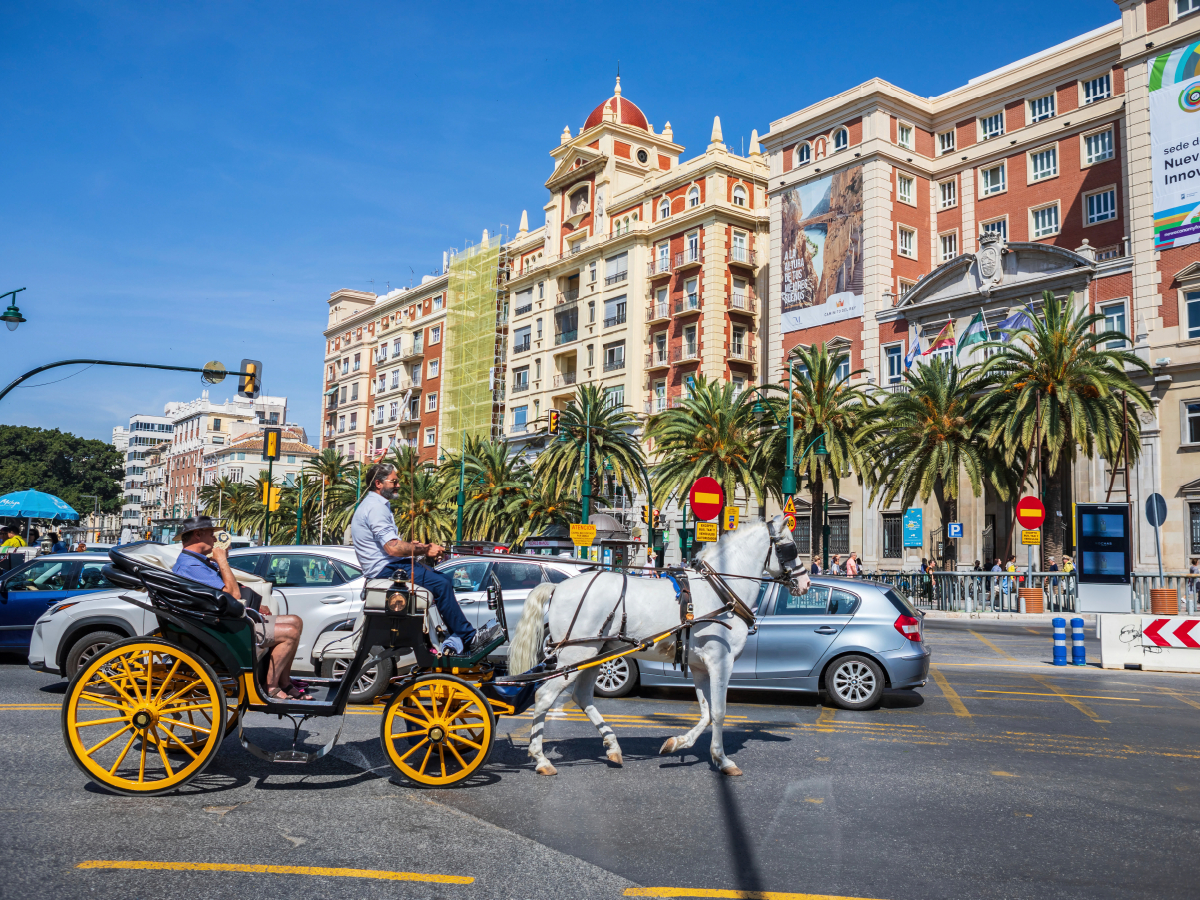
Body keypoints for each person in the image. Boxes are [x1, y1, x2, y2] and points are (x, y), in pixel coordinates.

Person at [171, 515, 310, 701]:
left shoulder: (197, 562)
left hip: (223, 621)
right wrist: (222, 561)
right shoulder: (191, 565)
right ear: (198, 534)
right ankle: (271, 686)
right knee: (290, 633)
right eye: (212, 534)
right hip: (221, 628)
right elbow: (233, 594)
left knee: (295, 621)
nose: (214, 539)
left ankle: (284, 681)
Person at [351, 462, 477, 655]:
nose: (398, 485)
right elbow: (392, 548)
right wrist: (425, 550)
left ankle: (452, 636)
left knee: (442, 580)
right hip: (387, 569)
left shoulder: (374, 505)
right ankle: (466, 636)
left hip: (389, 565)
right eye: (394, 481)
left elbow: (391, 544)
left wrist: (413, 547)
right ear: (378, 483)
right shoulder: (376, 508)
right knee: (442, 584)